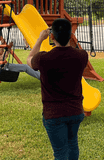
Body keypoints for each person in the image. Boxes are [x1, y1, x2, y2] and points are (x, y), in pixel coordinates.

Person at [27, 18, 87, 160]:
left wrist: (40, 39)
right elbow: (71, 50)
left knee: (60, 152)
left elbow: (29, 59)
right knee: (73, 145)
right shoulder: (82, 56)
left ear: (51, 36)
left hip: (54, 114)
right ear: (71, 35)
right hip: (76, 110)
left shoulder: (44, 59)